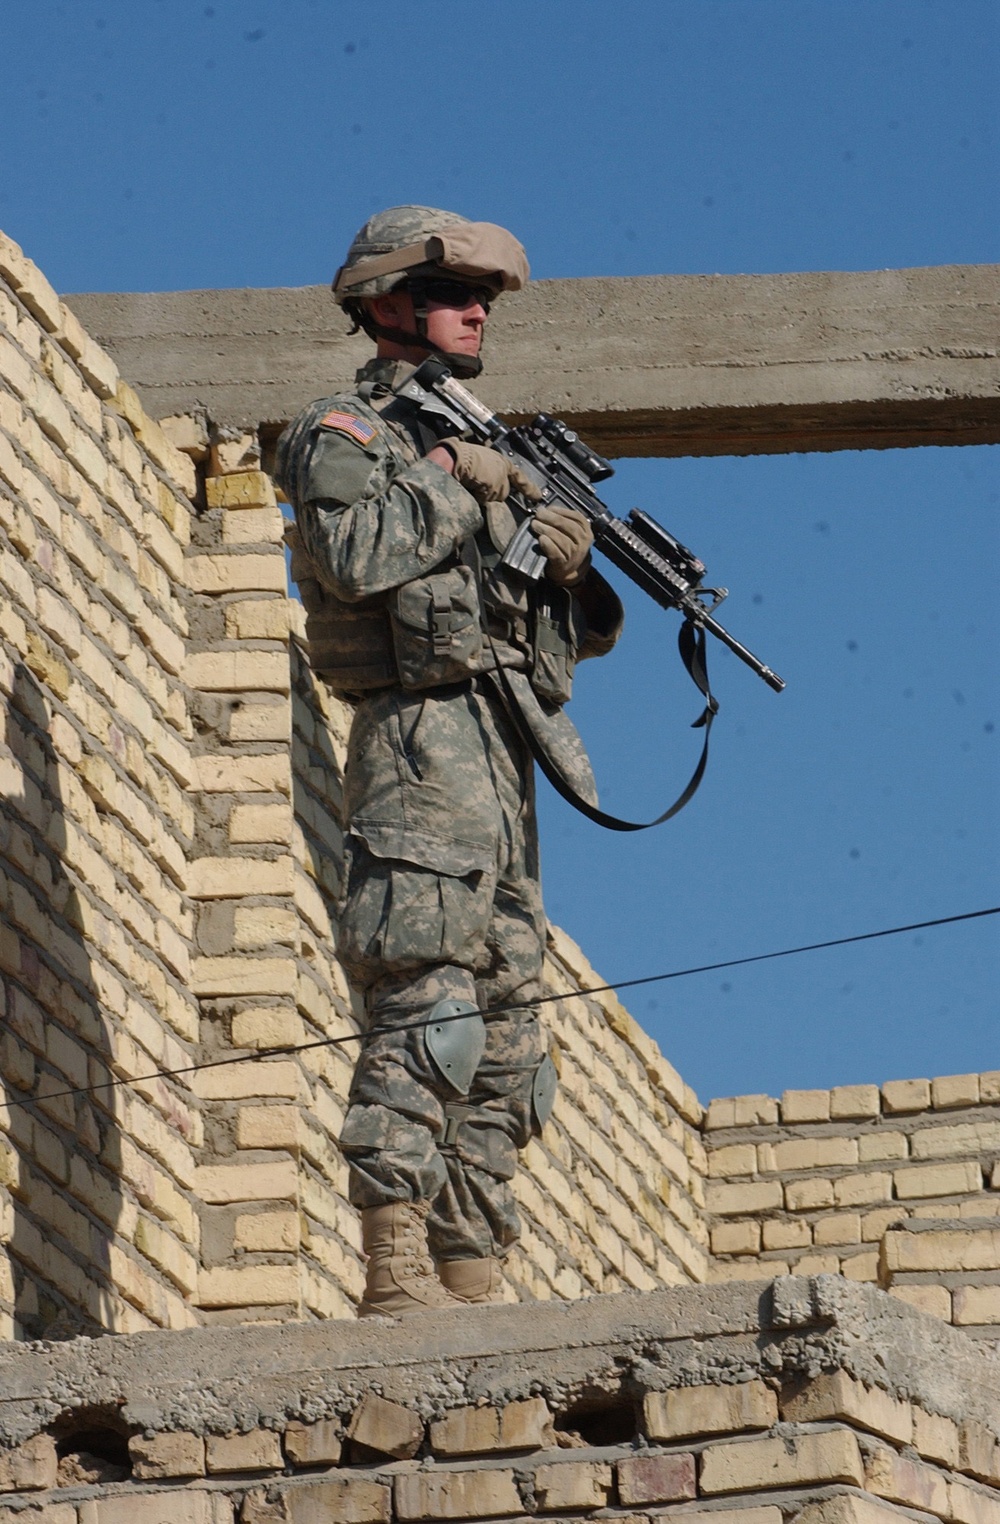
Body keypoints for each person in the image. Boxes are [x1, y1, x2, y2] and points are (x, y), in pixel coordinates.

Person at [274, 206, 623, 1317]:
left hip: (503, 749)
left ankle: (471, 1265)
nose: (478, 312)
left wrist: (560, 561)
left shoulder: (480, 438)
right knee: (426, 993)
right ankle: (393, 1265)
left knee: (514, 1021)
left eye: (485, 298)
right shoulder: (348, 432)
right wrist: (458, 481)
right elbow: (352, 554)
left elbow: (550, 633)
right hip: (418, 743)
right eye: (456, 293)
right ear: (387, 304)